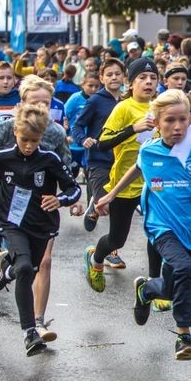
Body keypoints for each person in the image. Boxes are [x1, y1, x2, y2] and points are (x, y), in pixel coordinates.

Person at [96, 90, 191, 359]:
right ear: (157, 123)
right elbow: (137, 167)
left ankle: (146, 289)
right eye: (170, 120)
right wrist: (111, 195)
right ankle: (184, 336)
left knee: (172, 286)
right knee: (186, 271)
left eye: (183, 119)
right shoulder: (149, 150)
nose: (177, 126)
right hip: (160, 227)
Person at [0, 75, 73, 340]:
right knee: (24, 264)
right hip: (9, 201)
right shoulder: (9, 127)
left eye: (46, 104)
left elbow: (67, 167)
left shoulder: (55, 132)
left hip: (42, 206)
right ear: (22, 104)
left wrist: (68, 197)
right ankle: (28, 320)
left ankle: (39, 320)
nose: (41, 109)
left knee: (43, 261)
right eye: (36, 103)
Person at [80, 59, 158, 292]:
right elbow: (103, 144)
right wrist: (133, 129)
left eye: (153, 78)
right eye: (142, 78)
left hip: (154, 183)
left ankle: (155, 283)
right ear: (130, 83)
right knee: (117, 239)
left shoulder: (161, 107)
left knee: (156, 232)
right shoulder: (123, 108)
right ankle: (96, 258)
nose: (148, 82)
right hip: (125, 182)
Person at [71, 58, 126, 236]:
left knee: (118, 208)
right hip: (99, 159)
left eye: (118, 74)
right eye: (109, 74)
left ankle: (111, 248)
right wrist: (82, 139)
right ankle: (95, 207)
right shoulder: (95, 101)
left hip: (122, 160)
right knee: (107, 206)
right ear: (102, 78)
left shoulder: (127, 102)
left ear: (124, 77)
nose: (114, 78)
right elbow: (77, 126)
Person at [64, 72, 99, 180]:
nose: (93, 89)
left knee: (90, 174)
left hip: (90, 143)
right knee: (72, 173)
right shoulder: (75, 98)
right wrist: (66, 133)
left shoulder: (99, 99)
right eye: (90, 86)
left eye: (96, 86)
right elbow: (64, 115)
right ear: (83, 84)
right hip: (74, 144)